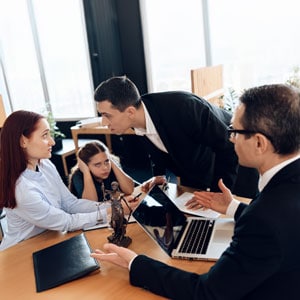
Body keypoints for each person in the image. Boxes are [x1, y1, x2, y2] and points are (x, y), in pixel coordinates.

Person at [91, 84, 300, 299]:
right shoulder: (284, 191)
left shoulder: (264, 216)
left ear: (259, 142)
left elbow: (207, 292)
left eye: (234, 131)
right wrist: (233, 207)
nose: (230, 138)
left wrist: (135, 263)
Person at [94, 76, 238, 192]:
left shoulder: (185, 108)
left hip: (237, 160)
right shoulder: (137, 120)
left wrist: (218, 193)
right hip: (196, 167)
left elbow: (228, 146)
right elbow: (158, 139)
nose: (103, 122)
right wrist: (159, 175)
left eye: (107, 115)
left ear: (130, 112)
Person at [0, 110, 106, 251]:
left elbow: (69, 204)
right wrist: (110, 213)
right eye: (45, 136)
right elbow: (67, 222)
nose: (52, 141)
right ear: (23, 141)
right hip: (20, 251)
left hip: (47, 239)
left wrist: (110, 206)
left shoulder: (45, 164)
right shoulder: (22, 189)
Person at [69, 140, 134, 202]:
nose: (105, 168)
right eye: (98, 164)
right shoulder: (78, 175)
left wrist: (111, 161)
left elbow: (129, 190)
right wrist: (86, 172)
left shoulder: (112, 165)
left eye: (106, 161)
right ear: (86, 165)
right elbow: (91, 204)